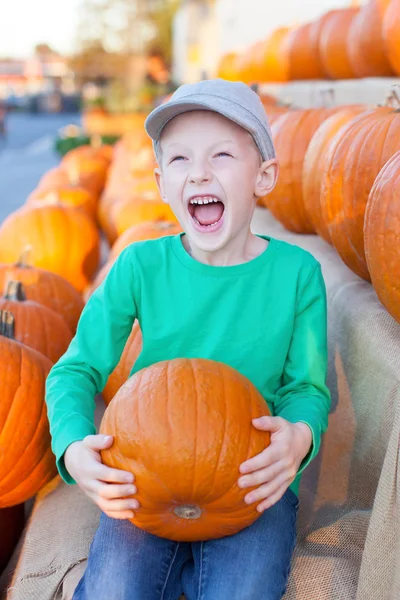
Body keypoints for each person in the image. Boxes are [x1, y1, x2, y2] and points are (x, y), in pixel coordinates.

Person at [45, 79, 331, 600]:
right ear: (160, 182)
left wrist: (298, 437)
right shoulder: (139, 265)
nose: (198, 171)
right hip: (144, 470)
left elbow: (305, 388)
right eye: (179, 159)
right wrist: (72, 447)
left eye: (221, 154)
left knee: (244, 590)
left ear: (264, 175)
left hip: (249, 475)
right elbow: (75, 370)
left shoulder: (297, 274)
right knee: (114, 590)